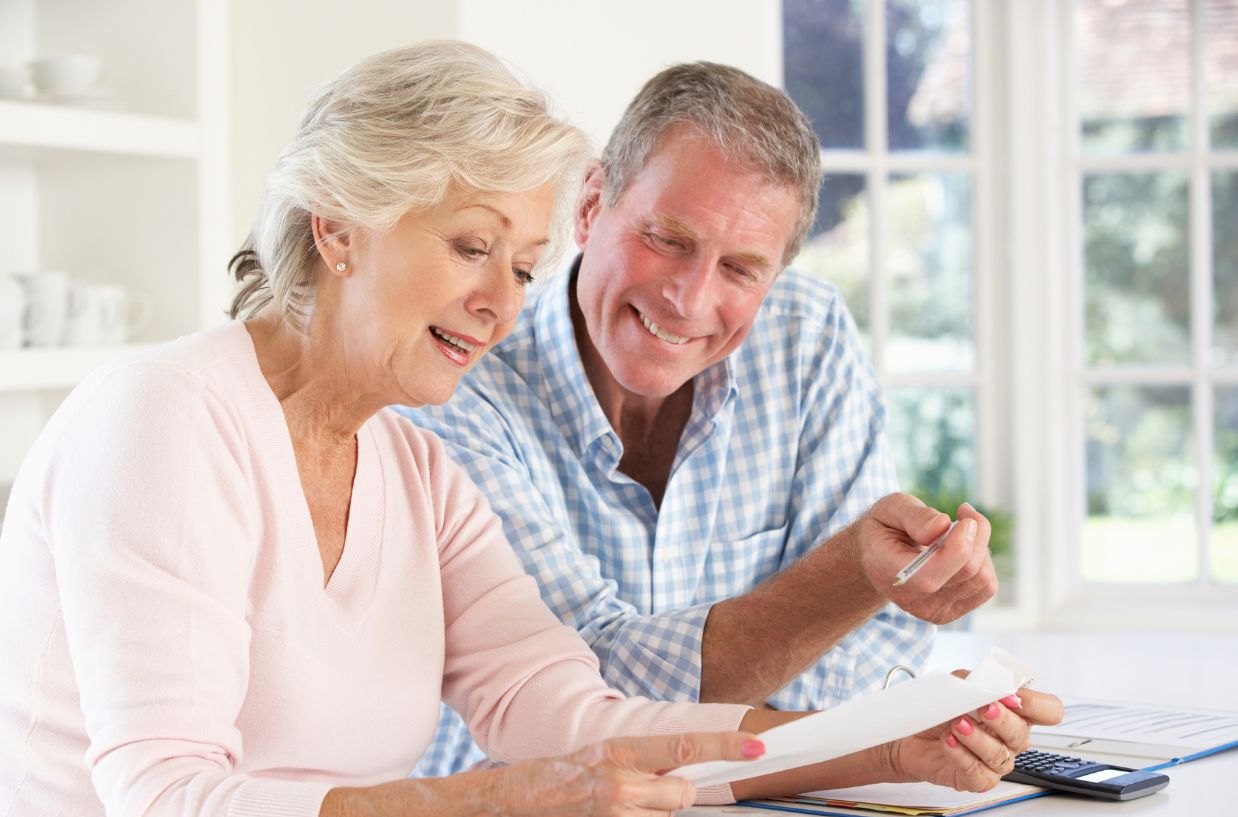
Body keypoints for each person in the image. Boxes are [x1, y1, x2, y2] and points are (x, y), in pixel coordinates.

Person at [0, 42, 1057, 817]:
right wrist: (494, 810)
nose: (501, 303)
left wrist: (882, 748)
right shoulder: (165, 419)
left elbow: (569, 711)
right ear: (340, 227)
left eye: (521, 266)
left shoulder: (413, 464)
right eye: (469, 248)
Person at [403, 62, 1006, 778]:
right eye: (668, 239)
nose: (689, 299)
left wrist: (853, 657)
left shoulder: (805, 339)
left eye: (742, 269)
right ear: (592, 204)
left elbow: (871, 655)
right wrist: (846, 577)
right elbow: (571, 701)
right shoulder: (459, 381)